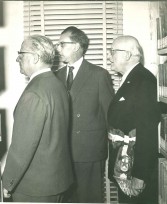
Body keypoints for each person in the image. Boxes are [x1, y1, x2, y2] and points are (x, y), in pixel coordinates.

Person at [2, 35, 73, 202]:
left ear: (34, 58)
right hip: (56, 180)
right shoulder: (58, 85)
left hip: (35, 187)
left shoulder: (34, 93)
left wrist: (8, 181)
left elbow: (22, 147)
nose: (17, 58)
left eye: (21, 53)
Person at [54, 26, 114, 203]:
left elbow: (109, 114)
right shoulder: (55, 75)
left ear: (76, 46)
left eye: (62, 44)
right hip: (61, 152)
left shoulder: (99, 75)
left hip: (89, 151)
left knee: (90, 198)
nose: (58, 48)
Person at [107, 35, 161, 204]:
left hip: (135, 169)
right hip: (125, 165)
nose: (109, 56)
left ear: (127, 55)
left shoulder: (143, 81)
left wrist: (140, 175)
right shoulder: (133, 78)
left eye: (113, 52)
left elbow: (147, 131)